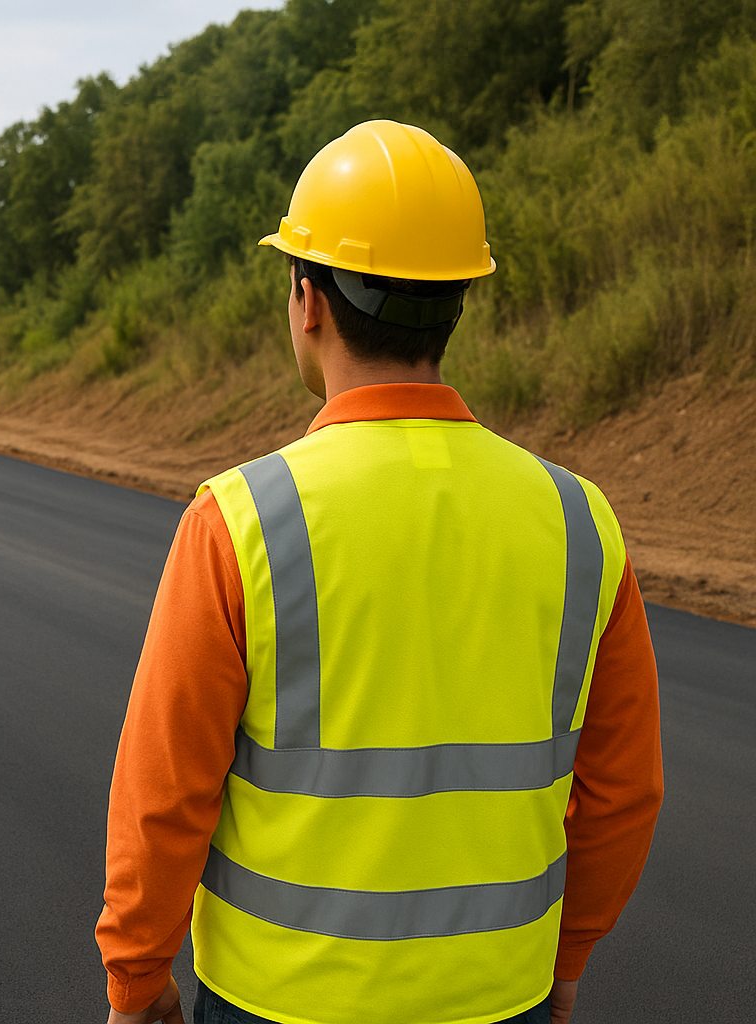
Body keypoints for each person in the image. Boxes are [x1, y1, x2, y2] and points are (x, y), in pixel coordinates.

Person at [96, 120, 663, 1024]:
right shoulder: (580, 522)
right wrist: (567, 962)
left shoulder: (240, 519)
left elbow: (164, 793)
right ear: (456, 304)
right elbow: (623, 791)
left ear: (307, 299)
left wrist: (135, 978)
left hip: (277, 1001)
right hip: (498, 997)